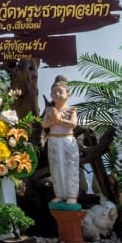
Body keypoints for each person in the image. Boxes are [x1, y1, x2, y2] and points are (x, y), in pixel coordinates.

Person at [42, 75, 79, 204]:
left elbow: (73, 124)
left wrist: (59, 120)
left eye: (60, 92)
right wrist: (53, 119)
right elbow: (44, 125)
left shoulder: (71, 110)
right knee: (56, 167)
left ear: (68, 94)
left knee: (70, 167)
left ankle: (72, 195)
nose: (57, 94)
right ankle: (59, 194)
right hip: (54, 140)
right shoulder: (49, 110)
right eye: (54, 92)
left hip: (67, 140)